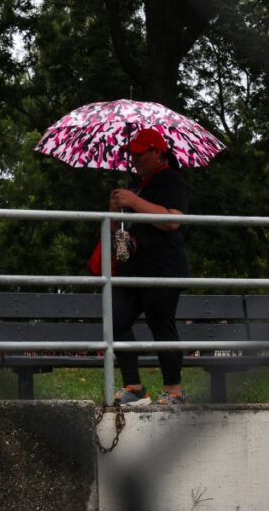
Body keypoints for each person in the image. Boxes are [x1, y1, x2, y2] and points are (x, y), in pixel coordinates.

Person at [107, 128, 189, 406]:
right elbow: (119, 240)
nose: (134, 160)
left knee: (161, 324)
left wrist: (133, 202)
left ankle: (174, 391)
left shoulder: (171, 180)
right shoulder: (134, 186)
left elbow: (173, 222)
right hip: (133, 269)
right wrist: (114, 215)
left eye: (140, 154)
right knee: (115, 319)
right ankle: (134, 387)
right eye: (132, 155)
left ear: (157, 152)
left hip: (163, 266)